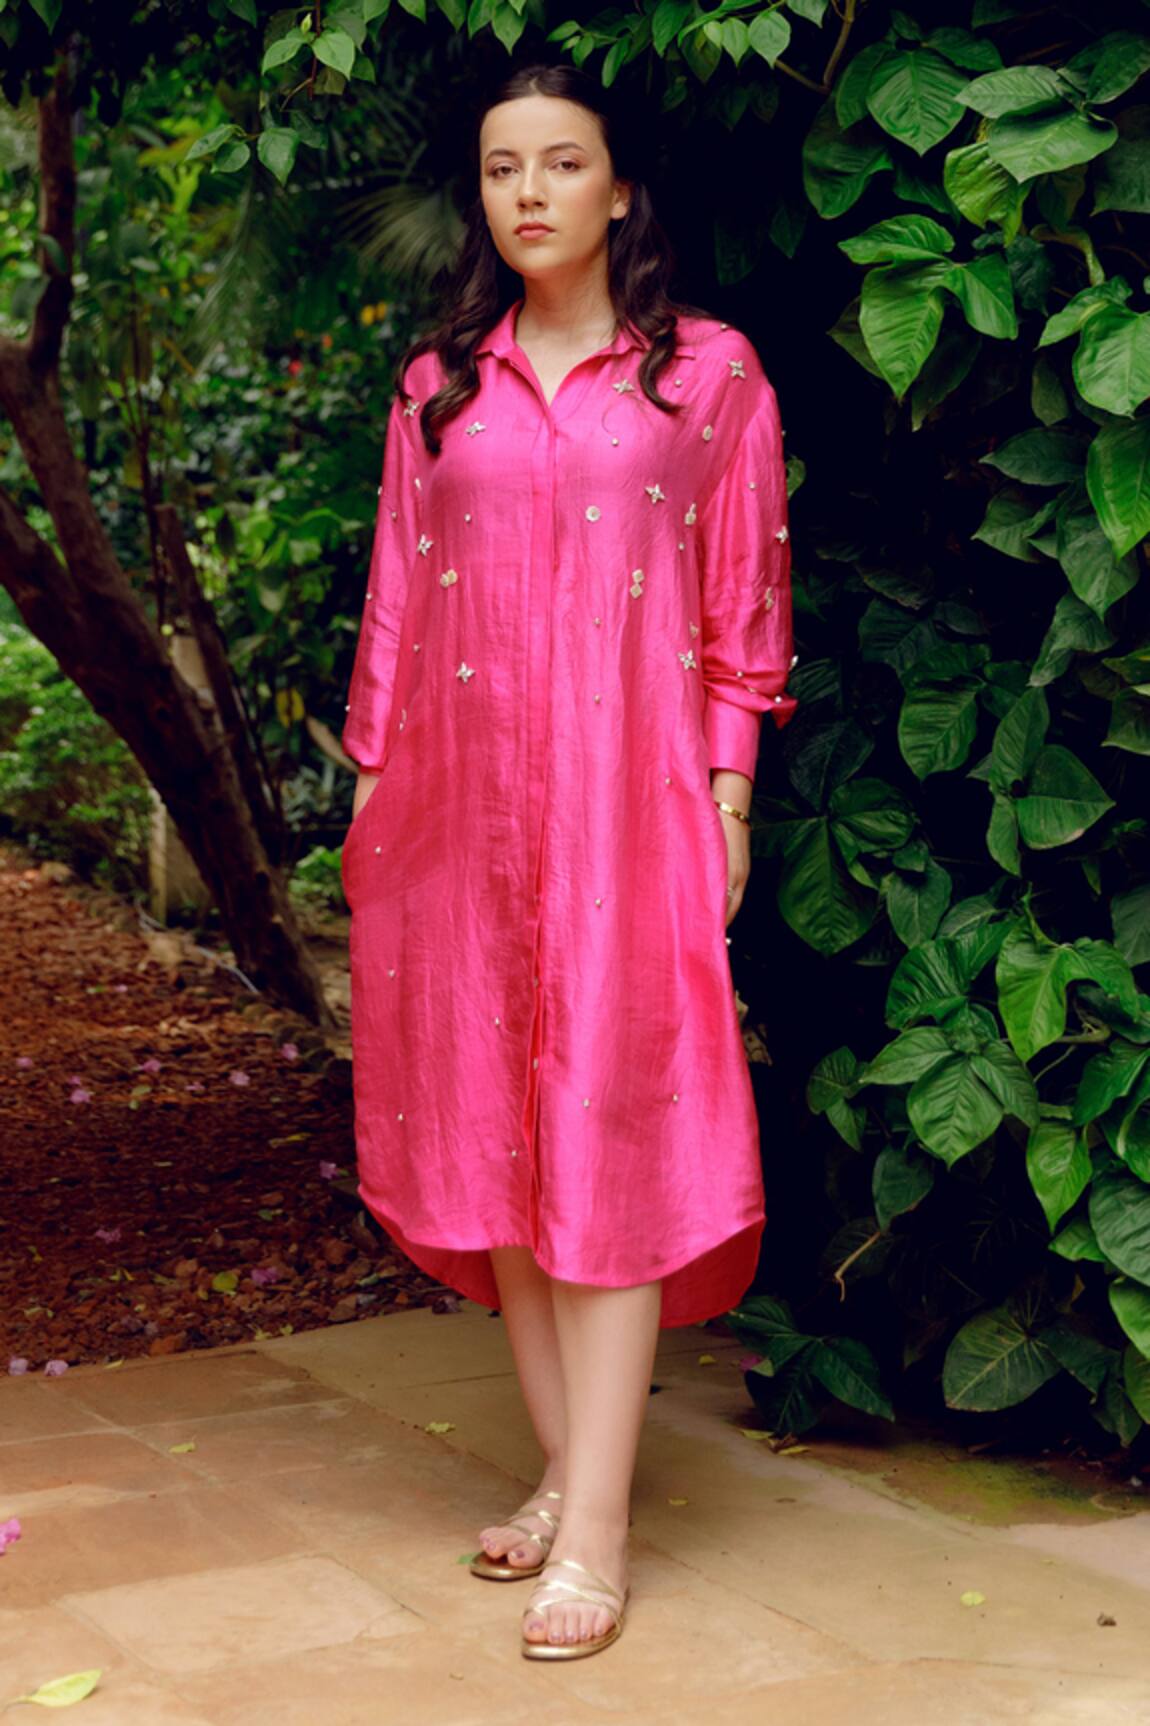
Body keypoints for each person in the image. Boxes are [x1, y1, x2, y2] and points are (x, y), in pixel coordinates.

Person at [340, 59, 797, 1660]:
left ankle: (592, 1534)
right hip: (452, 818)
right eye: (499, 167)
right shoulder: (436, 386)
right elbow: (395, 604)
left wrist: (728, 799)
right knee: (495, 1139)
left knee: (606, 1140)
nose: (527, 192)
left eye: (559, 161)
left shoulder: (707, 378)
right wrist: (370, 795)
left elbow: (742, 608)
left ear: (620, 188)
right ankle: (563, 1471)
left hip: (630, 809)